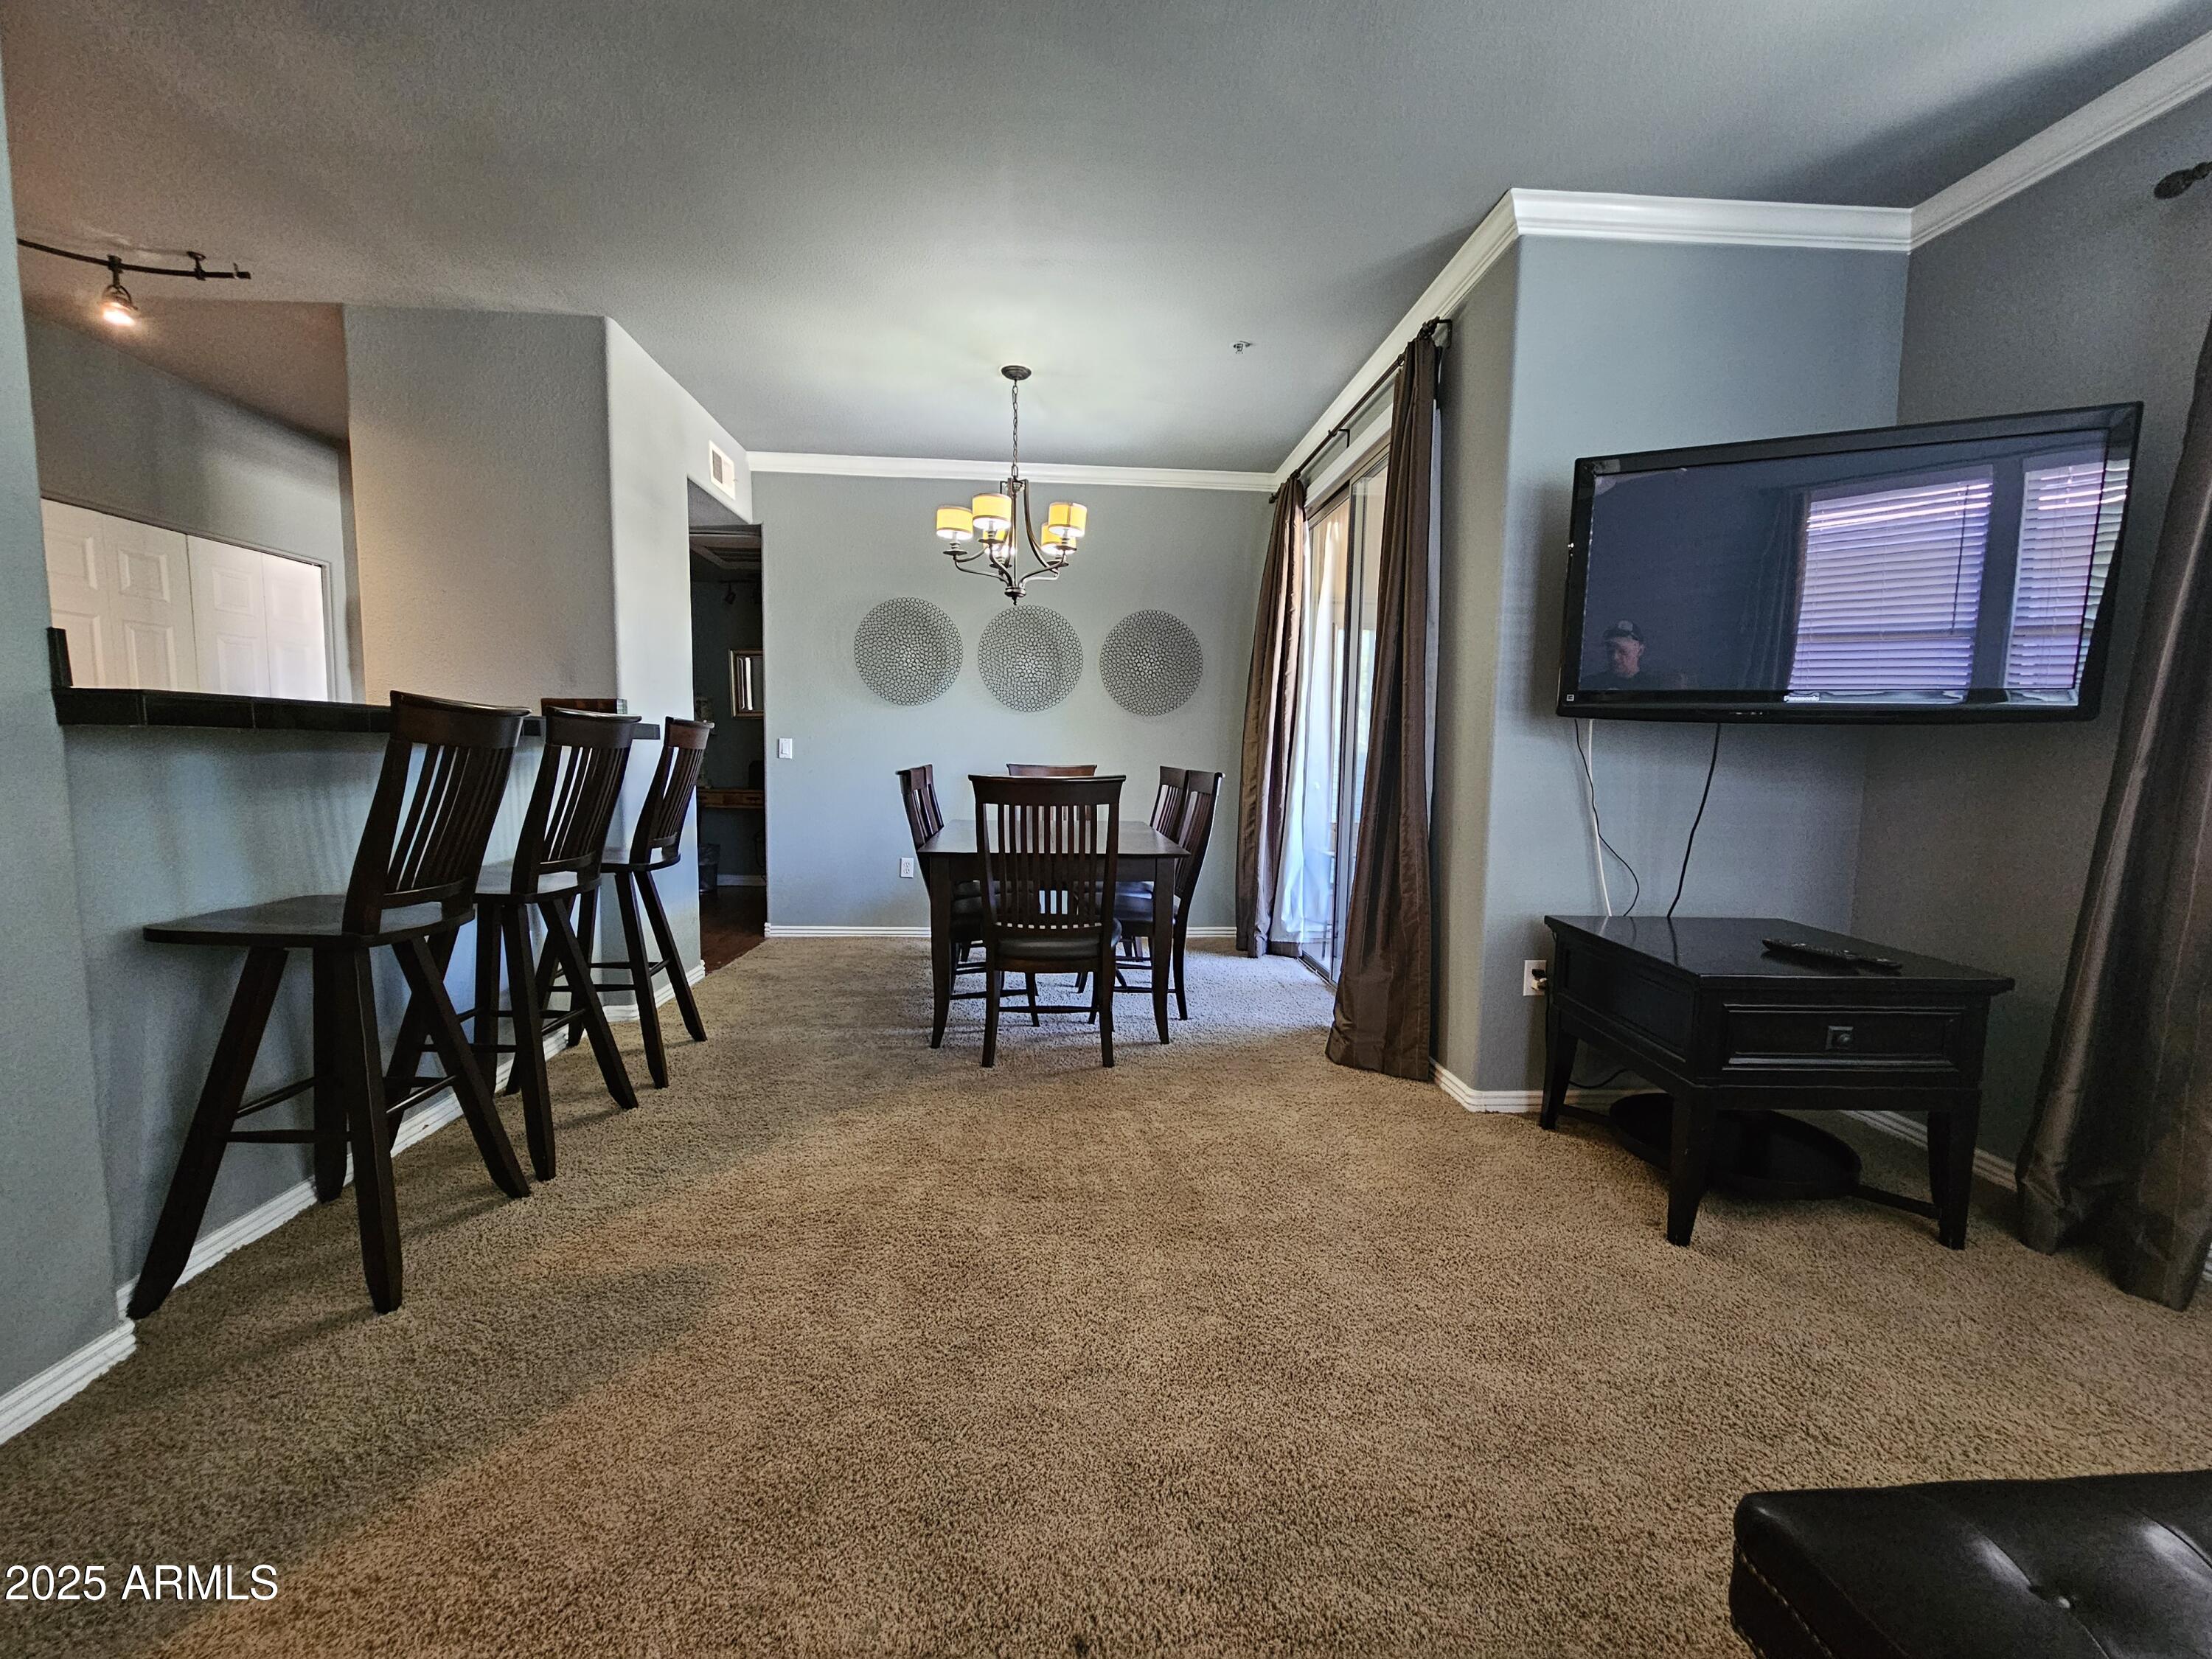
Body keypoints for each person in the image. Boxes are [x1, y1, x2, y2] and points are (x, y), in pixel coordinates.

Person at [1583, 619, 1686, 691]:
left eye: (1623, 651)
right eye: (1610, 651)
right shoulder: (1590, 684)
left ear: (1640, 651)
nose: (1615, 658)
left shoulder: (1654, 687)